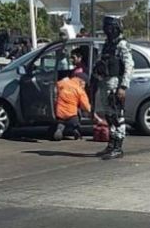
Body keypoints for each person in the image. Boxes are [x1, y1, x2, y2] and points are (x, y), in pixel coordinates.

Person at [92, 16, 133, 160]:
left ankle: (118, 147)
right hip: (105, 83)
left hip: (116, 84)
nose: (106, 30)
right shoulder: (108, 44)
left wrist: (123, 86)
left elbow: (129, 66)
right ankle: (111, 143)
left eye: (108, 27)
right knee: (109, 115)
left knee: (117, 116)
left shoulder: (122, 44)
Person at [52, 72, 91, 141]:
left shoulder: (63, 83)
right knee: (75, 123)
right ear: (81, 81)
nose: (85, 85)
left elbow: (56, 88)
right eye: (85, 83)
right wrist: (90, 111)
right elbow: (85, 106)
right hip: (72, 113)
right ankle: (76, 130)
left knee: (61, 122)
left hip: (60, 112)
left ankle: (59, 129)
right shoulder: (79, 90)